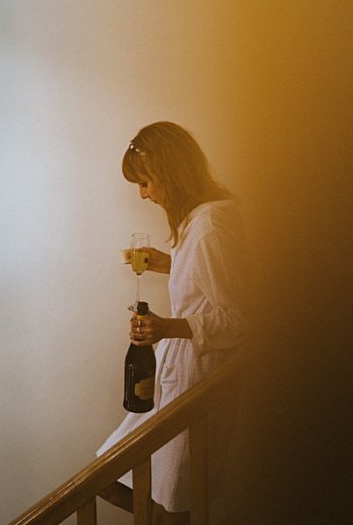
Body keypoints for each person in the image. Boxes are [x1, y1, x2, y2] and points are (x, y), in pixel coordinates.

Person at [96, 121, 251, 525]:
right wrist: (168, 262)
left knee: (179, 498)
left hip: (196, 380)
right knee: (114, 474)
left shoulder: (209, 228)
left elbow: (239, 319)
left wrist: (167, 328)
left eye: (145, 182)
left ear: (167, 173)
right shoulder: (197, 223)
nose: (143, 194)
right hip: (177, 373)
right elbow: (206, 281)